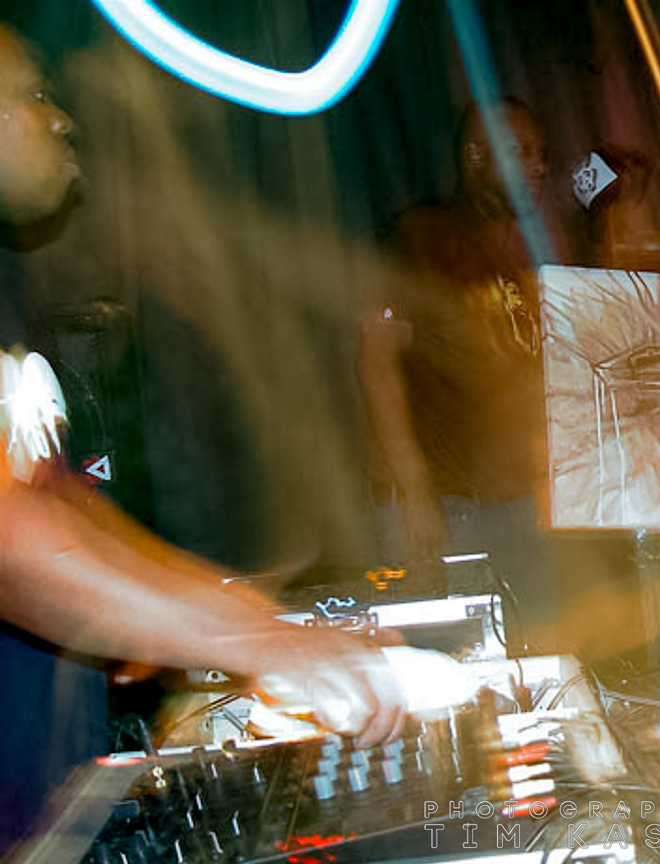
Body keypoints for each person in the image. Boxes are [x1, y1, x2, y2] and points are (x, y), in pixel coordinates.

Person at [0, 24, 406, 852]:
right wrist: (258, 640)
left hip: (51, 805)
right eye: (34, 94)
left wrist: (232, 607)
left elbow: (55, 501)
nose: (62, 119)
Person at [360, 98, 565, 645]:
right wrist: (412, 492)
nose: (539, 166)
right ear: (476, 156)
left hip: (513, 505)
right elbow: (376, 360)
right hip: (447, 501)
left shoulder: (514, 262)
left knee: (535, 655)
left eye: (543, 154)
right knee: (455, 663)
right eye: (522, 152)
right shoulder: (421, 238)